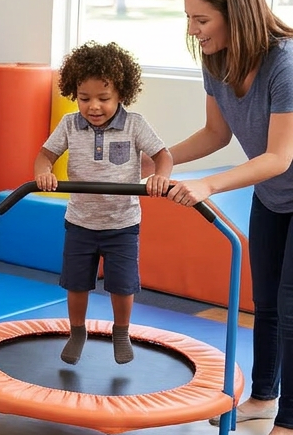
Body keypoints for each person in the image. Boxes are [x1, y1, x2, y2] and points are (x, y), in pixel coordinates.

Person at [150, 0, 293, 432]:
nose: (193, 30)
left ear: (238, 17)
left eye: (202, 20)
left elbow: (279, 156)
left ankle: (289, 420)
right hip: (273, 196)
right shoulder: (216, 61)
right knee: (264, 301)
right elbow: (217, 133)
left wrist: (208, 185)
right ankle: (265, 397)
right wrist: (161, 159)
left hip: (280, 175)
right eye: (189, 19)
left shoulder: (284, 64)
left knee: (291, 306)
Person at [33, 41, 173, 365]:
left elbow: (163, 156)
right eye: (84, 98)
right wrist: (43, 173)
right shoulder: (70, 124)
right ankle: (77, 331)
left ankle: (121, 332)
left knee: (122, 286)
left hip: (122, 224)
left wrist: (160, 177)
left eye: (103, 98)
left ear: (121, 93)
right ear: (74, 94)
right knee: (76, 283)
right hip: (80, 221)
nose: (93, 106)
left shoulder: (135, 124)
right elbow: (45, 155)